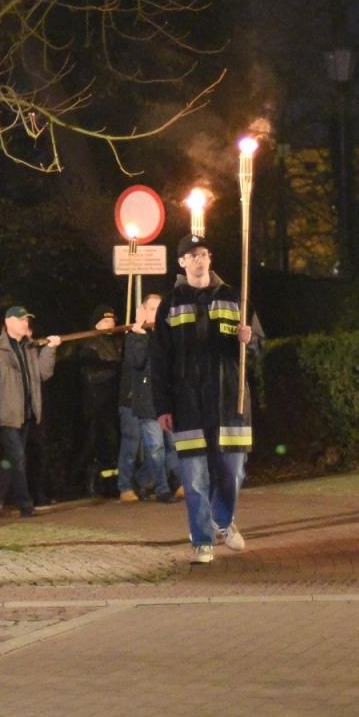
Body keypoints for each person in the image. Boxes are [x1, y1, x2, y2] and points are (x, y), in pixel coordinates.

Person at [152, 234, 261, 565]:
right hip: (188, 404)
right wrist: (163, 406)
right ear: (182, 263)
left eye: (204, 254)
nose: (200, 259)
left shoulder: (233, 297)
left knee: (233, 473)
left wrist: (249, 339)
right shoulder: (170, 304)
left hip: (231, 402)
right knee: (195, 478)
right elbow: (160, 360)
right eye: (192, 255)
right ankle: (201, 540)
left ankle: (223, 520)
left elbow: (257, 347)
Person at [0, 306, 61, 517]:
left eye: (27, 320)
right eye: (21, 319)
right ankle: (25, 504)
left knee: (12, 459)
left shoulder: (29, 347)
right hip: (7, 414)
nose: (25, 323)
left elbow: (43, 374)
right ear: (9, 322)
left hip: (25, 413)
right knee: (17, 457)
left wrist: (50, 350)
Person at [117, 292, 181, 503]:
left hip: (167, 400)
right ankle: (161, 488)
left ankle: (179, 484)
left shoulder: (167, 334)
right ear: (143, 311)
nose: (157, 313)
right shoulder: (136, 337)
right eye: (152, 309)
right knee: (155, 447)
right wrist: (140, 335)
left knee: (173, 445)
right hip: (148, 402)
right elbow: (137, 362)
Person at [73, 304, 123, 498]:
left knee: (112, 444)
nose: (109, 324)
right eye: (105, 321)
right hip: (96, 404)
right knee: (96, 443)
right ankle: (91, 483)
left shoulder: (116, 343)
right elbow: (90, 375)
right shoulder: (90, 345)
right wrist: (113, 370)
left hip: (112, 403)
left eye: (111, 321)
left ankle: (111, 484)